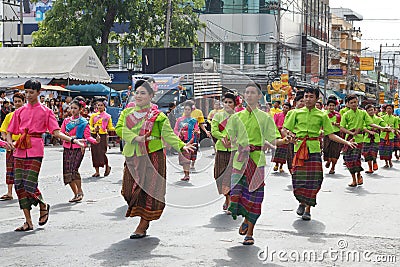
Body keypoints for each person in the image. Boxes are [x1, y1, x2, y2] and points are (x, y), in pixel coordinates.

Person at [115, 79, 194, 239]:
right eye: (136, 92)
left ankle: (143, 224)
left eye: (142, 93)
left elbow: (168, 134)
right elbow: (119, 128)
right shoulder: (127, 113)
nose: (138, 96)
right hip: (133, 155)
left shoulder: (158, 116)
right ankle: (143, 217)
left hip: (153, 156)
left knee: (150, 191)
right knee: (128, 191)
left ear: (151, 96)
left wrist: (181, 146)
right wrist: (135, 138)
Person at [6, 79, 85, 231]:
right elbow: (10, 132)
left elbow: (56, 132)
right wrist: (9, 142)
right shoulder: (19, 111)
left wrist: (74, 140)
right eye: (26, 92)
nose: (28, 95)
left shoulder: (46, 111)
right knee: (19, 186)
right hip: (19, 150)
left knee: (29, 184)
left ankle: (42, 204)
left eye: (31, 92)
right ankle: (28, 221)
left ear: (39, 92)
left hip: (35, 149)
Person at [226, 82, 288, 245]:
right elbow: (230, 140)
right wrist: (227, 143)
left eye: (253, 92)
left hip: (257, 161)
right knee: (236, 196)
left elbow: (273, 139)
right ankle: (245, 220)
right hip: (239, 162)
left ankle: (250, 233)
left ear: (260, 96)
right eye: (247, 92)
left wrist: (285, 140)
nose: (249, 95)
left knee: (255, 198)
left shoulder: (265, 117)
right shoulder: (235, 117)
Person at [283, 87, 356, 221]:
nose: (308, 99)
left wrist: (346, 143)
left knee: (314, 180)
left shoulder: (322, 115)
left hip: (314, 150)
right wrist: (289, 135)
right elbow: (285, 129)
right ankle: (301, 201)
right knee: (298, 179)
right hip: (298, 149)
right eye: (306, 96)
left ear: (317, 99)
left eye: (311, 96)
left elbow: (330, 134)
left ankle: (308, 209)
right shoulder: (295, 113)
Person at [340, 94, 390, 187]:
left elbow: (370, 123)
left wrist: (382, 128)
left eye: (355, 102)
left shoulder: (363, 113)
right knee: (348, 159)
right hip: (349, 139)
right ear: (348, 104)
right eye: (351, 103)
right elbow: (342, 127)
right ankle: (354, 179)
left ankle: (358, 176)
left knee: (356, 158)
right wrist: (351, 133)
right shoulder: (346, 114)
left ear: (357, 102)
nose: (354, 104)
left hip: (359, 140)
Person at [61, 98, 99, 203]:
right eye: (71, 108)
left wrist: (95, 141)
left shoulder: (84, 122)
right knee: (67, 172)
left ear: (80, 109)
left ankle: (80, 191)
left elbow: (87, 136)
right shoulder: (66, 121)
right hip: (67, 147)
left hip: (78, 148)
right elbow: (61, 133)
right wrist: (66, 136)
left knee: (74, 170)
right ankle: (75, 193)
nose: (73, 110)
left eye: (75, 108)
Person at [211, 92, 237, 214]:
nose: (227, 104)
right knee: (219, 175)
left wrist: (233, 140)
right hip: (221, 150)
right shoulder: (217, 116)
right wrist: (223, 138)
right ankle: (226, 197)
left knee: (231, 176)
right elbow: (214, 130)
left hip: (234, 150)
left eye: (230, 102)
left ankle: (231, 201)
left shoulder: (239, 117)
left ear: (235, 104)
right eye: (225, 102)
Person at [0, 93, 25, 201]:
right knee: (10, 169)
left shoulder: (27, 115)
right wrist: (7, 141)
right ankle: (9, 192)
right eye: (15, 101)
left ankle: (23, 192)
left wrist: (17, 143)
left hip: (24, 145)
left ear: (24, 102)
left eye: (19, 101)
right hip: (11, 145)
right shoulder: (9, 116)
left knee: (23, 169)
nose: (17, 103)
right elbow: (3, 130)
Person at [174, 102, 200, 181]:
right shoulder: (179, 120)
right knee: (183, 159)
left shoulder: (193, 120)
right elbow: (175, 129)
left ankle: (187, 175)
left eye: (188, 109)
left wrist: (196, 132)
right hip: (181, 141)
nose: (187, 111)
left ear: (191, 111)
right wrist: (179, 134)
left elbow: (197, 129)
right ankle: (186, 173)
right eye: (185, 109)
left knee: (187, 159)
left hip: (190, 142)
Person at [89, 99, 115, 177]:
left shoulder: (108, 116)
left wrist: (117, 129)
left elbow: (110, 127)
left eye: (101, 105)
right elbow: (89, 126)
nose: (99, 107)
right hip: (94, 135)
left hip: (103, 135)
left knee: (102, 152)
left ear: (104, 106)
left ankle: (107, 166)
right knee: (94, 153)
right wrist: (93, 129)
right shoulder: (93, 116)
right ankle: (97, 171)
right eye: (98, 105)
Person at [363, 104, 386, 174]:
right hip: (367, 138)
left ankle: (375, 161)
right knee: (367, 154)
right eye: (369, 110)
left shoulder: (378, 119)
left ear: (374, 110)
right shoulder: (364, 119)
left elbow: (383, 124)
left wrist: (387, 127)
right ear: (366, 112)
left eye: (372, 110)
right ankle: (370, 168)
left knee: (373, 152)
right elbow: (363, 127)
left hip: (376, 138)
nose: (371, 111)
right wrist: (369, 131)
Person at [323, 99, 343, 174]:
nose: (331, 107)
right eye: (330, 105)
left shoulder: (338, 115)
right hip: (327, 134)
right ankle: (328, 160)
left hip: (336, 133)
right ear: (327, 106)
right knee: (326, 150)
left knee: (335, 151)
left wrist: (338, 124)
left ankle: (333, 167)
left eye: (333, 106)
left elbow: (342, 125)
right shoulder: (323, 114)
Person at [272, 102, 291, 173]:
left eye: (287, 108)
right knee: (278, 150)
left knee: (284, 152)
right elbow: (274, 124)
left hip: (286, 135)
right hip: (278, 134)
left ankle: (281, 166)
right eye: (284, 107)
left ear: (289, 109)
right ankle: (276, 164)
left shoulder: (289, 117)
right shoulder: (277, 115)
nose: (285, 109)